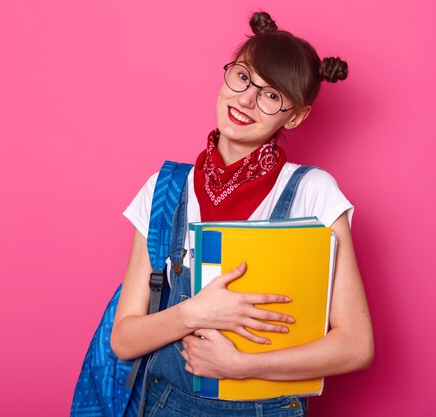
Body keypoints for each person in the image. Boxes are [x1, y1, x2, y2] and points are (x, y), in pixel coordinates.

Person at [111, 11, 374, 417]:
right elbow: (124, 339)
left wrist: (243, 365)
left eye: (271, 95)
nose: (246, 100)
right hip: (165, 406)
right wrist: (192, 313)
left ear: (297, 115)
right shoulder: (164, 190)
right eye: (243, 77)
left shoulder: (312, 192)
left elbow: (356, 346)